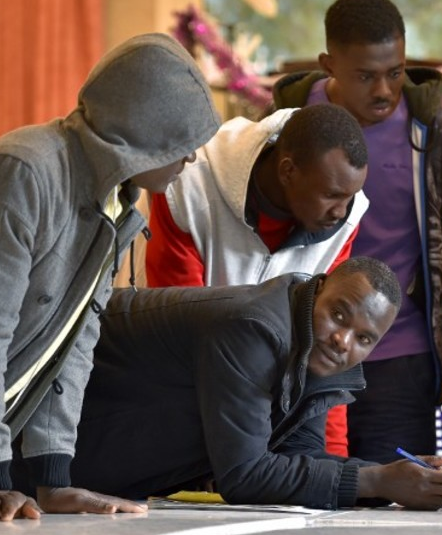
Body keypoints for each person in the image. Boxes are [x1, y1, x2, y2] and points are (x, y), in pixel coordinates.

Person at [0, 32, 220, 521]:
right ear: (140, 135)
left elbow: (70, 344)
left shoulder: (116, 204)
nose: (190, 159)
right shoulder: (20, 172)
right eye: (181, 143)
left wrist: (53, 479)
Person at [68, 256, 442, 510]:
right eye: (339, 315)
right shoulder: (254, 328)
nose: (342, 341)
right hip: (42, 449)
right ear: (321, 288)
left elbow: (300, 455)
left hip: (98, 480)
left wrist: (398, 478)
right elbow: (244, 475)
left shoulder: (319, 355)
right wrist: (378, 480)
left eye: (364, 339)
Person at [266, 0, 442, 465]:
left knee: (396, 501)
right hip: (305, 349)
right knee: (305, 488)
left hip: (401, 353)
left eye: (395, 72)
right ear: (329, 63)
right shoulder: (286, 125)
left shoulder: (432, 132)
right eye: (365, 75)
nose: (383, 90)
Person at [144, 102, 368, 457]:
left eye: (350, 196)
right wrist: (204, 454)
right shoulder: (187, 183)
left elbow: (327, 352)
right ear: (288, 170)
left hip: (269, 422)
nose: (342, 211)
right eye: (331, 196)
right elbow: (175, 336)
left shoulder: (344, 217)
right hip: (178, 412)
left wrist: (334, 457)